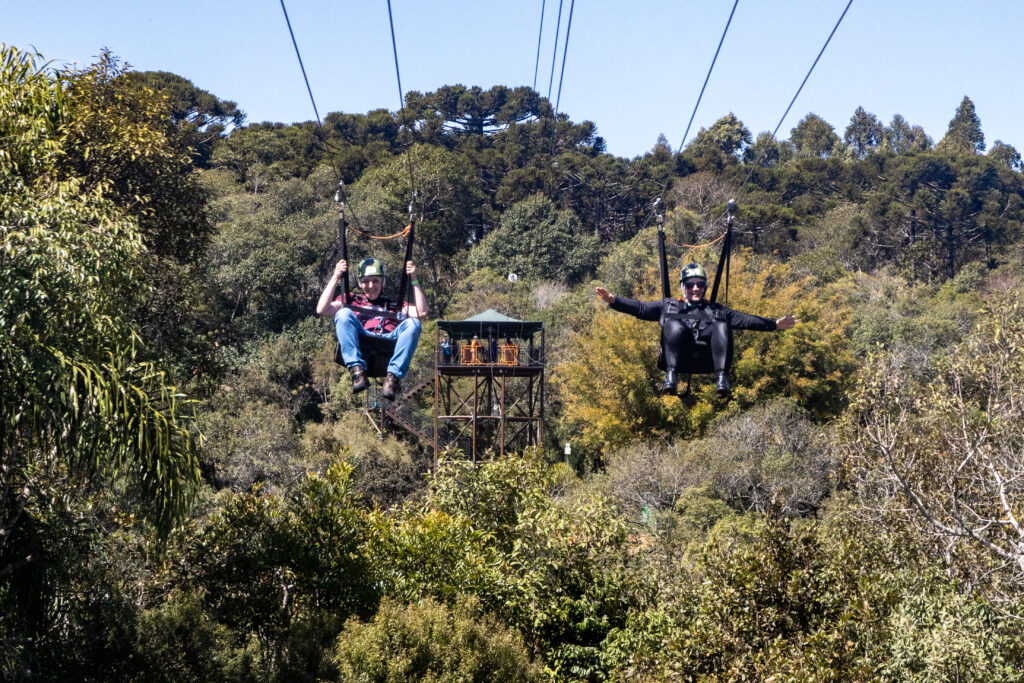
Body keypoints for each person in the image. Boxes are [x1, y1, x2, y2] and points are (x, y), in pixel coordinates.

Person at [595, 263, 797, 397]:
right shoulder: (669, 305)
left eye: (700, 285)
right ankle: (671, 377)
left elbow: (745, 320)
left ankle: (722, 379)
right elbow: (640, 308)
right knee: (672, 322)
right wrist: (614, 300)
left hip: (707, 358)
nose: (695, 288)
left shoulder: (715, 309)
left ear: (704, 287)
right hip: (677, 355)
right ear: (683, 287)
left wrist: (774, 324)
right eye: (690, 284)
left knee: (722, 323)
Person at [316, 256, 427, 400]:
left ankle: (393, 379)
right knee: (343, 313)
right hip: (363, 339)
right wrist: (336, 276)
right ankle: (357, 371)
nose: (370, 286)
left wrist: (414, 279)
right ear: (360, 284)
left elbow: (421, 313)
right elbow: (322, 309)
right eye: (365, 281)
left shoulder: (395, 304)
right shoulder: (353, 300)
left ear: (383, 282)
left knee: (414, 323)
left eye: (375, 281)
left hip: (388, 341)